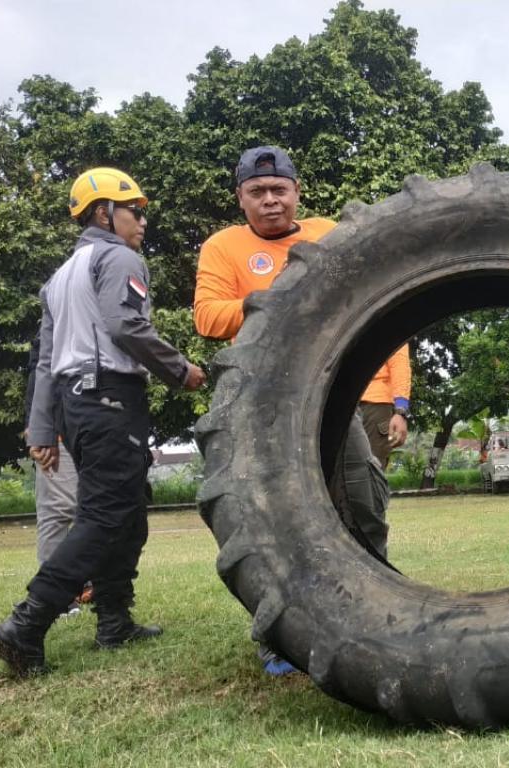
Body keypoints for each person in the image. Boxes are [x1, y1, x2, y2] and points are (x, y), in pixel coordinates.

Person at [0, 167, 207, 677]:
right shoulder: (119, 256)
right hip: (109, 395)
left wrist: (42, 429)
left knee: (126, 514)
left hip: (75, 403)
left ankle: (113, 620)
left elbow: (43, 361)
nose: (143, 222)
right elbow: (126, 323)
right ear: (103, 213)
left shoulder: (59, 277)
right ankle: (26, 624)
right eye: (135, 211)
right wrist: (180, 370)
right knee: (105, 515)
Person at [194, 145, 392, 676]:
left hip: (333, 392)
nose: (270, 201)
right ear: (241, 199)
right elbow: (209, 317)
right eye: (257, 192)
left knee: (362, 499)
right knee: (268, 520)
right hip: (259, 407)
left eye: (279, 189)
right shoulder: (222, 247)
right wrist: (284, 300)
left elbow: (371, 289)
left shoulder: (327, 232)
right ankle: (278, 633)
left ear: (297, 191)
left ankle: (383, 605)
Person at [23, 337, 90, 616]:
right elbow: (40, 368)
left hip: (90, 428)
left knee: (92, 511)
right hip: (58, 432)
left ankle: (85, 583)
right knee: (57, 512)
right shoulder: (60, 307)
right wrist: (37, 426)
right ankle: (55, 599)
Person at [358, 345, 411, 469]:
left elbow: (400, 366)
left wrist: (400, 412)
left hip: (375, 407)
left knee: (371, 468)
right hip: (343, 405)